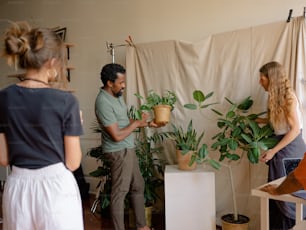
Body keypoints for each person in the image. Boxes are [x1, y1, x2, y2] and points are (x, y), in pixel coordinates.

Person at [0, 21, 84, 229]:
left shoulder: (3, 98)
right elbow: (73, 162)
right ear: (52, 62)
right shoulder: (66, 101)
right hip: (56, 189)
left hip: (17, 187)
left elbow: (3, 158)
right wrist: (75, 125)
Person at [95, 63, 164, 230]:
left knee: (138, 185)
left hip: (128, 148)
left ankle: (142, 226)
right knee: (120, 192)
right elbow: (116, 135)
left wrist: (147, 123)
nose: (124, 85)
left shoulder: (117, 96)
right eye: (121, 82)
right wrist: (137, 124)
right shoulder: (103, 102)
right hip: (118, 152)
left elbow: (125, 124)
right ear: (110, 83)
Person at [256, 61, 306, 229]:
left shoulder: (289, 98)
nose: (260, 82)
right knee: (276, 195)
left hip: (291, 150)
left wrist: (272, 151)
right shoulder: (277, 98)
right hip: (282, 149)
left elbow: (294, 131)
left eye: (262, 78)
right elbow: (280, 125)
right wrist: (258, 120)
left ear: (271, 78)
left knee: (288, 198)